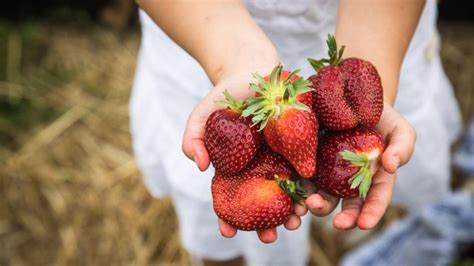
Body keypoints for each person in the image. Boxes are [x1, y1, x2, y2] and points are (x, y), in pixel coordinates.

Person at [129, 0, 460, 265]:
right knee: (229, 251)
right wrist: (236, 62)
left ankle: (342, 234)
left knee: (353, 192)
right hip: (202, 30)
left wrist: (375, 72)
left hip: (382, 30)